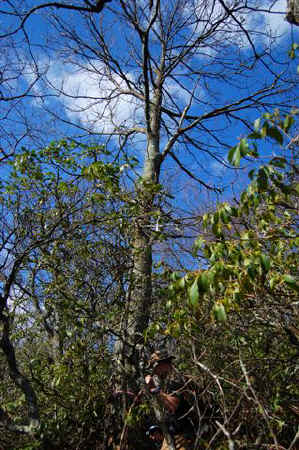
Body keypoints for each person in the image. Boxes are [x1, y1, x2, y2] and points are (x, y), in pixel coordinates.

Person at [145, 351, 195, 449]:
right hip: (174, 431)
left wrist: (156, 391)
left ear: (162, 364)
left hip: (186, 431)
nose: (154, 372)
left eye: (155, 369)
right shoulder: (166, 381)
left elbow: (173, 405)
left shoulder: (175, 378)